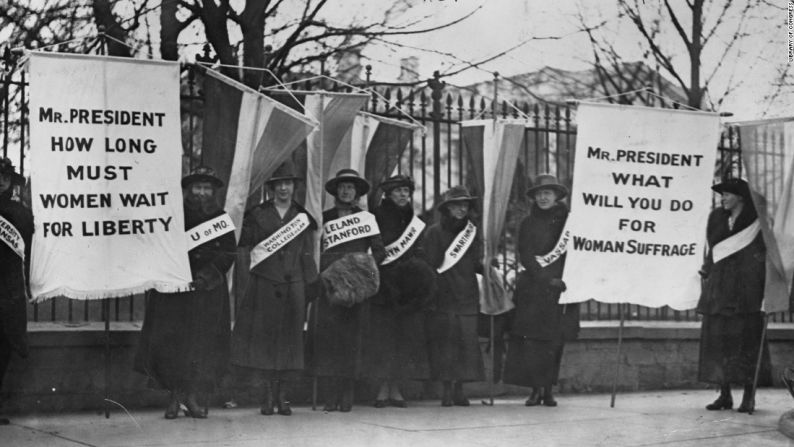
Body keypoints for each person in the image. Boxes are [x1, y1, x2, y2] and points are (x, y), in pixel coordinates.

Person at [134, 166, 236, 419]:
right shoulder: (173, 216)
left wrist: (206, 275)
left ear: (213, 192)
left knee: (201, 345)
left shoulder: (221, 219)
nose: (201, 193)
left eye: (206, 188)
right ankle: (174, 397)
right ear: (189, 190)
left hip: (207, 291)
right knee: (173, 345)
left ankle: (191, 397)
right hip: (176, 291)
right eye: (197, 188)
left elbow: (228, 252)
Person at [230, 161, 318, 416]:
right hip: (265, 284)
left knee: (290, 343)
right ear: (271, 188)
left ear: (294, 187)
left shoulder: (302, 217)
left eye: (287, 183)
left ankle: (284, 397)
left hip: (294, 285)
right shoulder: (258, 214)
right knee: (266, 343)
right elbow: (243, 240)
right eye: (278, 184)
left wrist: (311, 284)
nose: (283, 188)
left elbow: (307, 253)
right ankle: (267, 396)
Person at [307, 169, 386, 412]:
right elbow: (314, 250)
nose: (346, 191)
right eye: (342, 186)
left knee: (352, 342)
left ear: (357, 193)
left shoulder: (367, 219)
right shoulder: (324, 218)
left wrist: (357, 272)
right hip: (329, 288)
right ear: (335, 191)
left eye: (351, 187)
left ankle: (347, 393)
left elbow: (379, 252)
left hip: (355, 291)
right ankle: (330, 395)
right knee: (329, 342)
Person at [504, 173, 579, 407]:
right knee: (532, 343)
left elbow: (576, 253)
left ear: (557, 195)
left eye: (547, 193)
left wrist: (563, 279)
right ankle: (535, 390)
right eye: (539, 193)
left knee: (553, 342)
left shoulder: (570, 222)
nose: (543, 197)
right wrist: (545, 278)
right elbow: (525, 253)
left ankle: (548, 390)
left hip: (560, 290)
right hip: (534, 289)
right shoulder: (528, 222)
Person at [697, 177, 771, 414]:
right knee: (718, 342)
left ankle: (749, 397)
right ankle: (724, 395)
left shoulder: (757, 220)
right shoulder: (716, 218)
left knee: (746, 342)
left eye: (727, 194)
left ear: (740, 197)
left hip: (746, 291)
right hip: (719, 289)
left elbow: (766, 253)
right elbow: (712, 248)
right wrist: (707, 272)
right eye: (722, 195)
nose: (723, 199)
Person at [361, 175, 433, 408]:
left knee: (403, 340)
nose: (404, 195)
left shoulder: (414, 220)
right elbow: (374, 249)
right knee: (384, 340)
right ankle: (382, 388)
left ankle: (396, 388)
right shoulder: (377, 217)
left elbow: (419, 250)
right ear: (388, 194)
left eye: (406, 191)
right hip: (384, 285)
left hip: (408, 287)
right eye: (399, 191)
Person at [423, 185, 485, 406]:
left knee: (465, 344)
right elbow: (429, 265)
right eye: (456, 205)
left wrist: (488, 269)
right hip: (444, 294)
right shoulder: (433, 232)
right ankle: (447, 389)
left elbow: (476, 262)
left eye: (465, 205)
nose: (461, 209)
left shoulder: (472, 232)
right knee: (446, 345)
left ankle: (460, 389)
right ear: (447, 208)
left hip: (467, 292)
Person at [0, 158, 32, 425]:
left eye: (5, 176)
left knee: (5, 348)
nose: (1, 180)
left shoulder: (20, 212)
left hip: (9, 290)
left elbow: (30, 246)